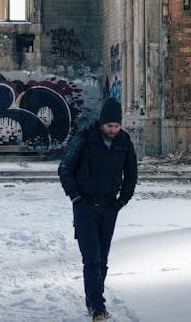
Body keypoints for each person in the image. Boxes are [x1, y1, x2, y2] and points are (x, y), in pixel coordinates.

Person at [57, 97, 138, 321]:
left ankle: (93, 297)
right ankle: (98, 307)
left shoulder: (124, 142)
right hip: (85, 207)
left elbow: (132, 174)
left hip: (109, 207)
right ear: (101, 123)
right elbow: (65, 168)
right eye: (109, 125)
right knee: (91, 258)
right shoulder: (85, 138)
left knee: (102, 260)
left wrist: (121, 202)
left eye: (116, 126)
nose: (113, 130)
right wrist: (75, 198)